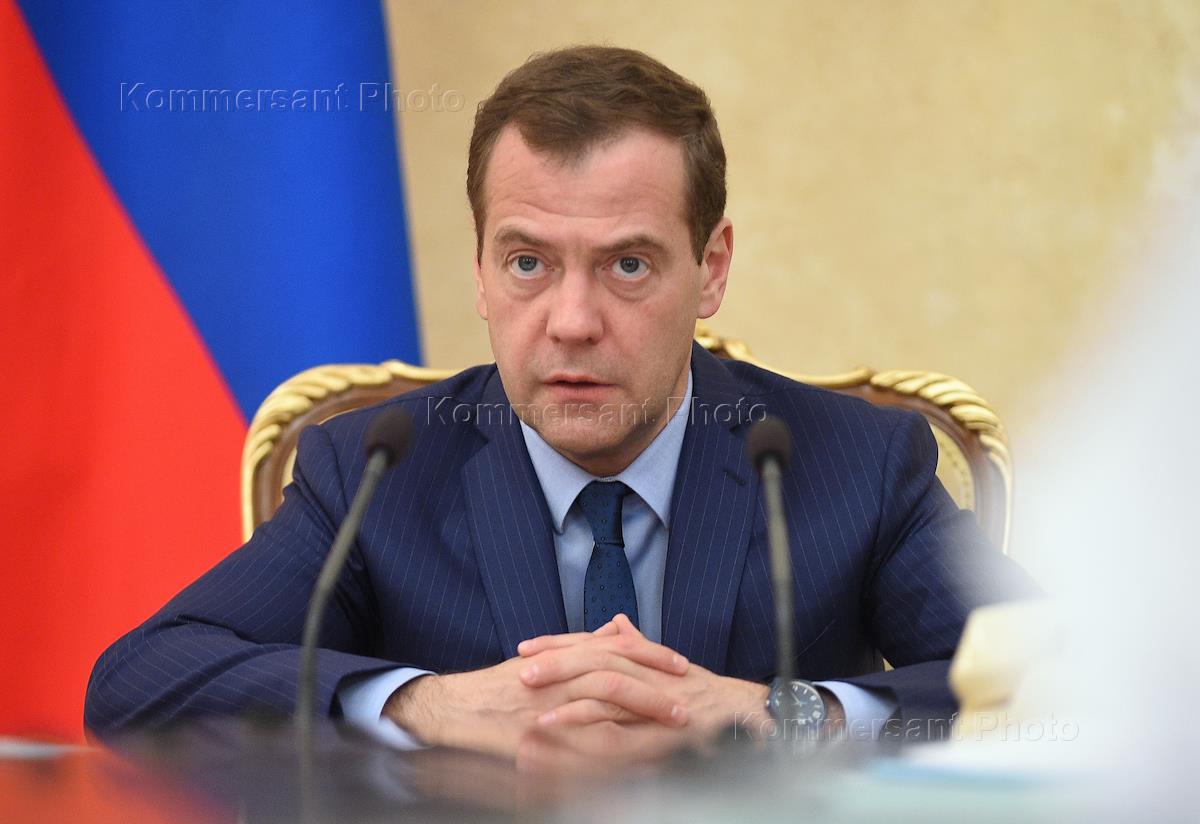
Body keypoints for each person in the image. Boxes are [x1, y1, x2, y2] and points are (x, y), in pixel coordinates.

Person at [84, 46, 1038, 754]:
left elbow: (1056, 682)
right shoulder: (379, 469)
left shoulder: (849, 462)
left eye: (628, 265)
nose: (572, 322)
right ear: (480, 270)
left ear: (711, 269)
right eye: (528, 262)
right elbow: (139, 684)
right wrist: (428, 705)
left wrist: (782, 715)